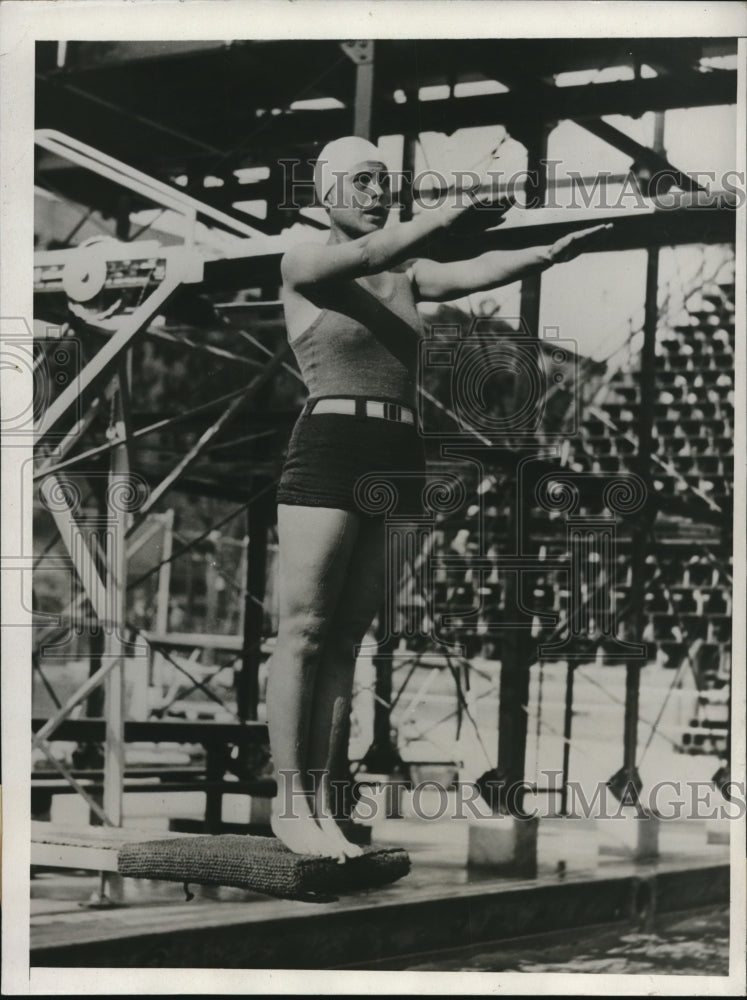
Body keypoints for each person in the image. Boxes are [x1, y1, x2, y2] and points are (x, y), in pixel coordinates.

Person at [266, 135, 610, 861]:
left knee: (348, 636)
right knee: (303, 630)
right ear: (327, 193)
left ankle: (325, 803)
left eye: (382, 183)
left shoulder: (407, 275)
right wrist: (451, 206)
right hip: (329, 446)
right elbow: (365, 256)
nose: (374, 193)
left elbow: (472, 270)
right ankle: (288, 799)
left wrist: (546, 253)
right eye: (359, 182)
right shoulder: (306, 260)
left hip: (396, 454)